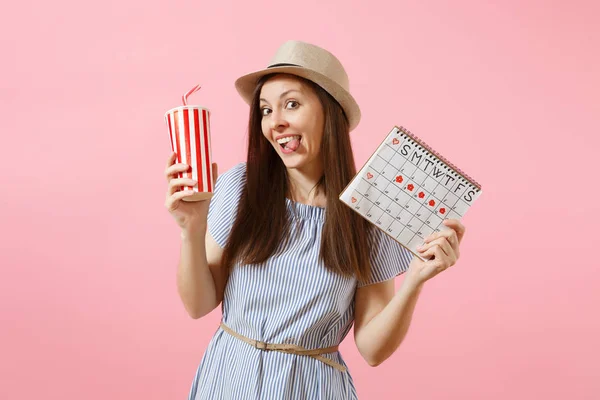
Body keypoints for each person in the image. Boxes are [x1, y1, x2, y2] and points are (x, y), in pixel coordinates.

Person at [164, 40, 466, 400]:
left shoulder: (368, 214)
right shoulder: (239, 186)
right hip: (230, 377)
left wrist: (415, 280)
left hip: (311, 388)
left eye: (291, 104)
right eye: (265, 110)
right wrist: (191, 229)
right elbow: (199, 305)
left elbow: (372, 349)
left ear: (330, 113)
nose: (276, 122)